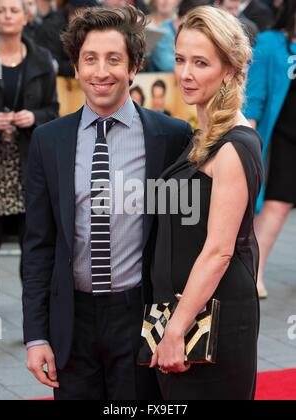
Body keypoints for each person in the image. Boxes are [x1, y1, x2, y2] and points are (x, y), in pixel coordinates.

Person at [23, 6, 192, 400]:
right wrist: (35, 336)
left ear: (133, 67)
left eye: (114, 59)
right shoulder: (49, 142)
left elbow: (183, 237)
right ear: (76, 68)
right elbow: (38, 245)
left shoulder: (170, 137)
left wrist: (179, 326)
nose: (101, 71)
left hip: (140, 315)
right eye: (90, 59)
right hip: (71, 319)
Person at [149, 5, 263, 400]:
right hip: (184, 316)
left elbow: (218, 251)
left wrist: (176, 330)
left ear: (229, 69)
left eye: (201, 62)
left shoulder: (235, 144)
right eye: (180, 59)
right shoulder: (202, 137)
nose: (185, 74)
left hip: (211, 324)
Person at [0, 0, 58, 291]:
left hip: (27, 164)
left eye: (13, 10)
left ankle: (33, 328)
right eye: (0, 10)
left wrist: (33, 116)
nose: (7, 16)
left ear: (25, 16)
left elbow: (53, 111)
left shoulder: (41, 59)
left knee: (32, 252)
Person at [244, 0, 296, 299]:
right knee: (276, 206)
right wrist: (248, 138)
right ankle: (255, 273)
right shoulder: (270, 42)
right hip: (282, 138)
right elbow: (256, 95)